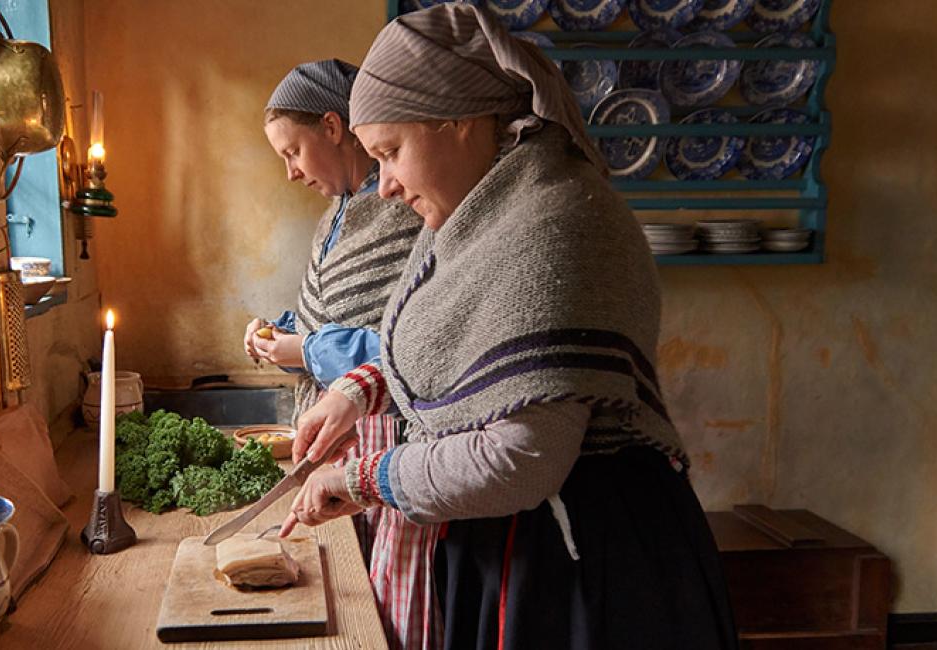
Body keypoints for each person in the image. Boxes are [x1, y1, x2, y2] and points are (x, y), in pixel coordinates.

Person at [279, 6, 739, 649]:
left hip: (580, 570)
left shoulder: (557, 222)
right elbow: (442, 344)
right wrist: (357, 390)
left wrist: (365, 478)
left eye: (390, 151)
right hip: (510, 548)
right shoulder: (478, 221)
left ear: (459, 120)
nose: (382, 186)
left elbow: (521, 459)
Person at [245, 59, 440, 650]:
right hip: (341, 437)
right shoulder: (335, 215)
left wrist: (302, 348)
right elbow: (331, 314)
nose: (290, 172)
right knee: (357, 593)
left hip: (397, 439)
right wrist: (277, 332)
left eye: (293, 152)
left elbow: (412, 340)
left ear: (333, 127)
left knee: (386, 603)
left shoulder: (405, 208)